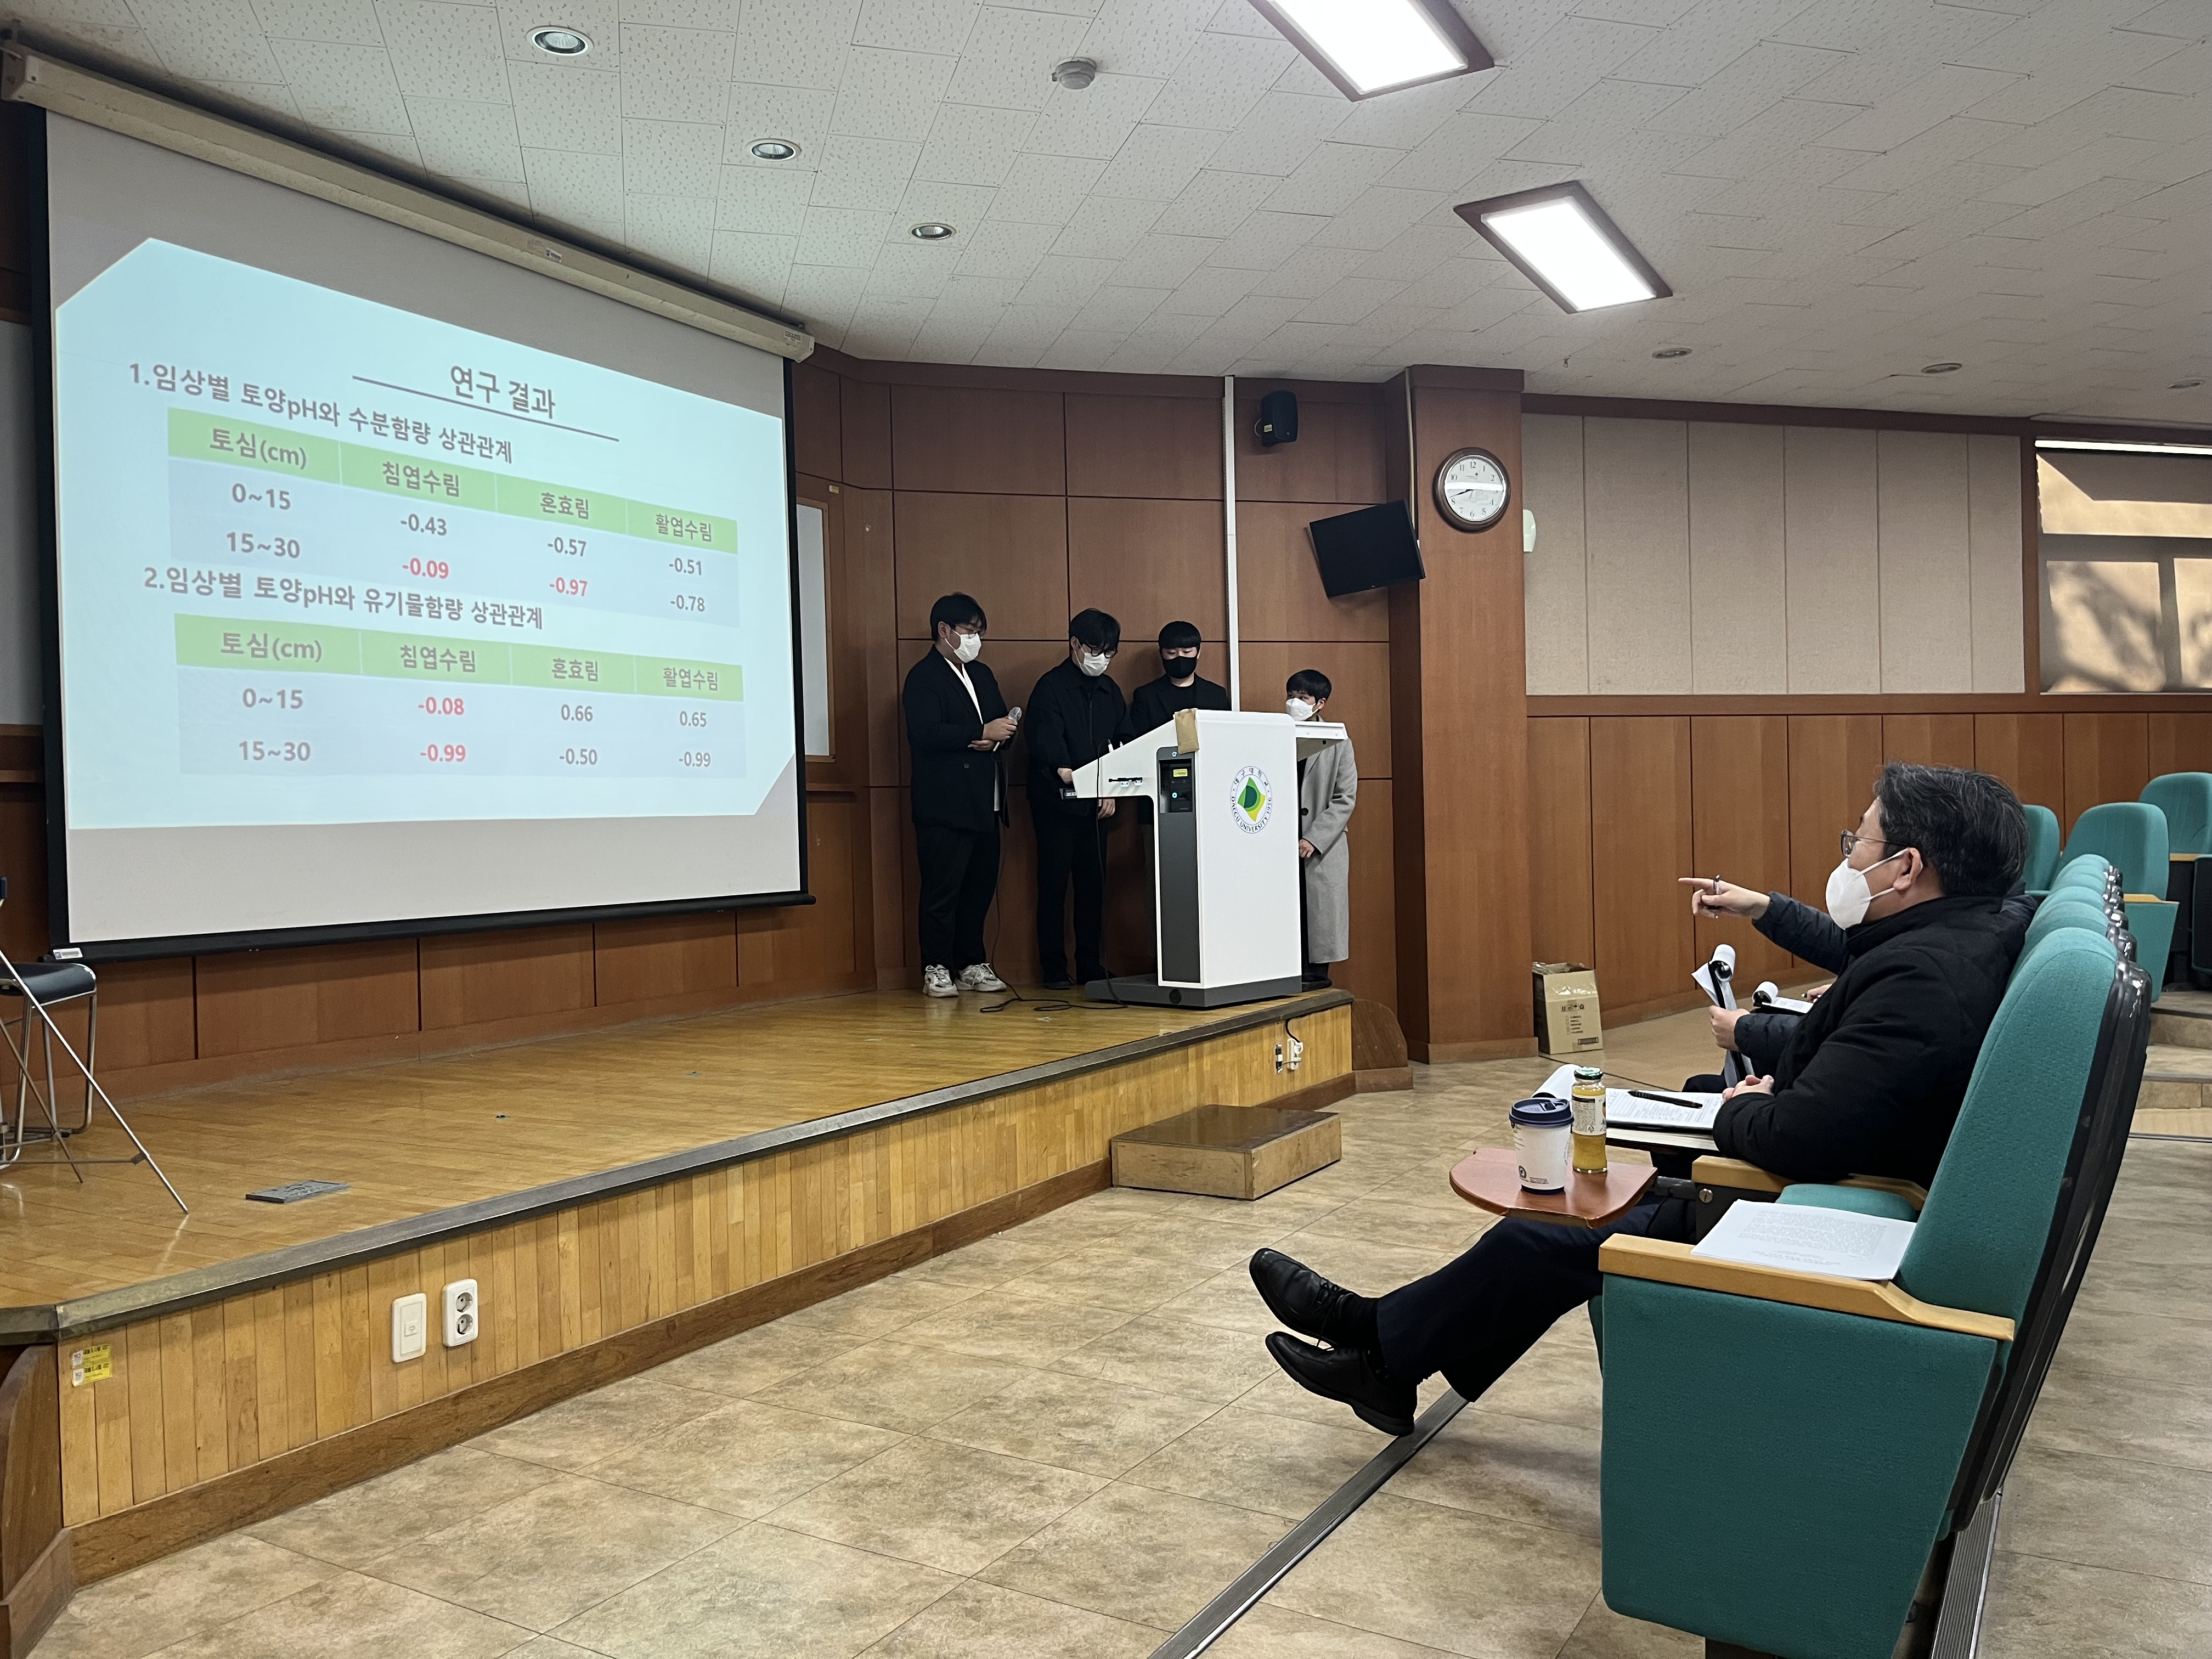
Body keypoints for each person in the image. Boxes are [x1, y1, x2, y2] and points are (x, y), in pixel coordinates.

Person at [1248, 763, 2029, 1436]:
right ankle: (1384, 1351)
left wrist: (1744, 1105)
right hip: (1839, 1179)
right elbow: (1854, 987)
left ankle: (1377, 1347)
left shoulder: (1922, 977)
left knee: (1544, 1238)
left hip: (1816, 1208)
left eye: (1858, 841)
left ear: (1905, 867)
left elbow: (1802, 1137)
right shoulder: (1966, 932)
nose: (1848, 854)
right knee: (1564, 1222)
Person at [1681, 866, 2039, 1077]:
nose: (1852, 861)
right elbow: (1855, 950)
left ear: (1914, 864)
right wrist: (1763, 907)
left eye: (1863, 841)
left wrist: (1747, 1031)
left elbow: (1863, 1045)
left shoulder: (1935, 965)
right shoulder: (1984, 921)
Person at [902, 594, 1017, 1000]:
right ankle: (936, 966)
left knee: (978, 889)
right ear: (944, 630)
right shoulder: (924, 676)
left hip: (985, 801)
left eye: (979, 632)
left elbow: (999, 722)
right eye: (969, 631)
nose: (975, 639)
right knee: (942, 891)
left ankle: (971, 962)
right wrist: (979, 732)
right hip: (945, 804)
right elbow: (925, 733)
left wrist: (998, 736)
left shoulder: (982, 674)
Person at [1026, 609, 1136, 991]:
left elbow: (1123, 743)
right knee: (1053, 886)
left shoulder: (1110, 691)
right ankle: (1054, 968)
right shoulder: (1050, 687)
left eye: (1109, 652)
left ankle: (1090, 963)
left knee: (1093, 888)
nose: (1101, 658)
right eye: (1094, 649)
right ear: (1074, 644)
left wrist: (1111, 788)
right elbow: (1045, 743)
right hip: (1056, 803)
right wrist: (1068, 772)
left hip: (1097, 807)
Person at [1289, 670, 1354, 990]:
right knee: (1288, 913)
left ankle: (1316, 977)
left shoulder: (1338, 740)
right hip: (1280, 842)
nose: (1294, 703)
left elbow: (1345, 798)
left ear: (1320, 703)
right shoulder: (1275, 735)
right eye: (1291, 696)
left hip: (1321, 847)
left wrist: (1313, 839)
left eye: (1302, 698)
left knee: (1318, 915)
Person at [1129, 620, 1231, 732]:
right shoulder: (1146, 696)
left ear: (1198, 652)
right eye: (1171, 653)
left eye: (1187, 652)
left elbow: (1225, 735)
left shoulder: (1217, 695)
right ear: (1161, 653)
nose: (1180, 658)